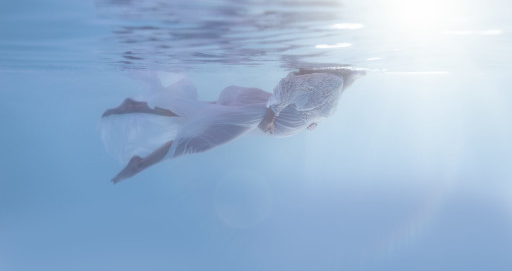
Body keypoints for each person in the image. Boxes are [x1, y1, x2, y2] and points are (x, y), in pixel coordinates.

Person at [100, 67, 365, 183]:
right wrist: (272, 115)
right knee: (200, 142)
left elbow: (302, 96)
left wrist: (311, 120)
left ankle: (136, 108)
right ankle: (140, 164)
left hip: (264, 113)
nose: (355, 79)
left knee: (200, 113)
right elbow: (288, 86)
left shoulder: (334, 86)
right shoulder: (333, 82)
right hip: (260, 114)